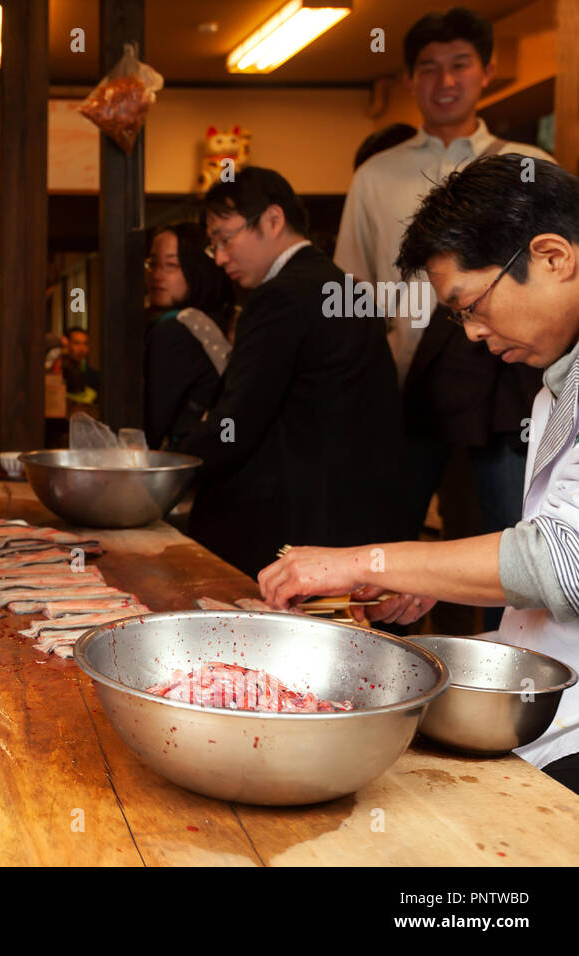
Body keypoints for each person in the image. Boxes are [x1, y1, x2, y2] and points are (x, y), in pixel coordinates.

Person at [261, 154, 579, 793]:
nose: (469, 334)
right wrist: (433, 581)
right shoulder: (550, 387)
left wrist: (366, 562)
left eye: (471, 305)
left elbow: (563, 561)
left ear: (551, 256)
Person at [334, 7, 555, 631]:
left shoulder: (527, 163)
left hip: (515, 388)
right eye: (429, 68)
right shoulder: (376, 176)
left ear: (487, 71)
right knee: (391, 548)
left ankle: (502, 678)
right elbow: (356, 298)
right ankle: (382, 673)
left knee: (509, 534)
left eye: (461, 64)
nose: (446, 81)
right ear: (409, 80)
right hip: (407, 393)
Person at [175, 167, 407, 578]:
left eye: (225, 238)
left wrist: (172, 468)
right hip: (357, 515)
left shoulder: (279, 296)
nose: (222, 257)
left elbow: (239, 421)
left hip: (294, 524)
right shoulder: (347, 287)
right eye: (214, 247)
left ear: (272, 219)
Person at [144, 220, 236, 450]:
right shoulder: (220, 321)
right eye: (152, 264)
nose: (157, 275)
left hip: (186, 465)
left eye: (170, 266)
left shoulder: (175, 328)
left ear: (196, 269)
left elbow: (154, 421)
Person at [61, 328, 100, 406]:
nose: (81, 349)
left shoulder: (94, 376)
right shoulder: (58, 374)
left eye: (85, 344)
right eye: (76, 343)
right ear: (66, 345)